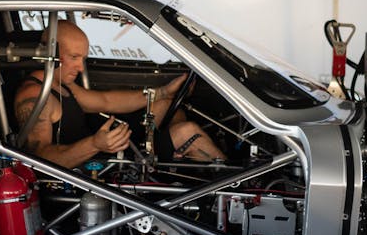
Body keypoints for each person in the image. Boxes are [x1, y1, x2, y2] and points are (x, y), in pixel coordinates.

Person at [13, 20, 225, 169]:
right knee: (187, 132)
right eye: (74, 57)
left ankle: (175, 163)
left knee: (165, 104)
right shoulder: (34, 96)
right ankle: (235, 191)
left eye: (83, 58)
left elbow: (105, 101)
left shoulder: (61, 84)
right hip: (94, 167)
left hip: (104, 149)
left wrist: (162, 92)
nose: (80, 67)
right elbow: (39, 158)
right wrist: (94, 144)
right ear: (49, 53)